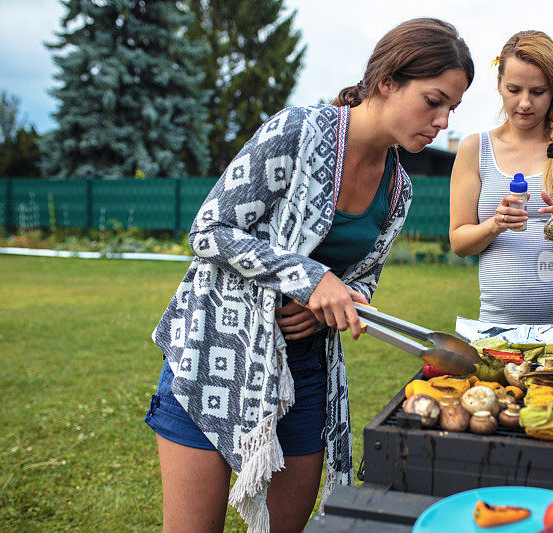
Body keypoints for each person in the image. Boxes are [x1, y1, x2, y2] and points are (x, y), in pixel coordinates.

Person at [144, 18, 473, 533]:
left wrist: (327, 307)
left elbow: (361, 282)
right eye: (434, 101)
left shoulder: (400, 189)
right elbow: (208, 230)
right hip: (213, 356)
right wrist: (309, 277)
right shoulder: (296, 131)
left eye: (452, 108)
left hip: (304, 372)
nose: (443, 121)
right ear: (387, 81)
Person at [449, 30, 553, 335]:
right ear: (499, 85)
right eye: (514, 89)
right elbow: (459, 243)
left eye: (538, 92)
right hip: (500, 331)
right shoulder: (474, 149)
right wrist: (494, 224)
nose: (525, 103)